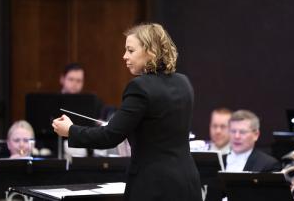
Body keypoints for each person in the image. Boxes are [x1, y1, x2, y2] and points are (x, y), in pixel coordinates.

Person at [52, 23, 202, 201]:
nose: (124, 56)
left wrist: (70, 130)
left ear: (151, 51)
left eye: (131, 51)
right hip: (187, 181)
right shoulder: (184, 83)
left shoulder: (140, 87)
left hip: (153, 185)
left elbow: (110, 136)